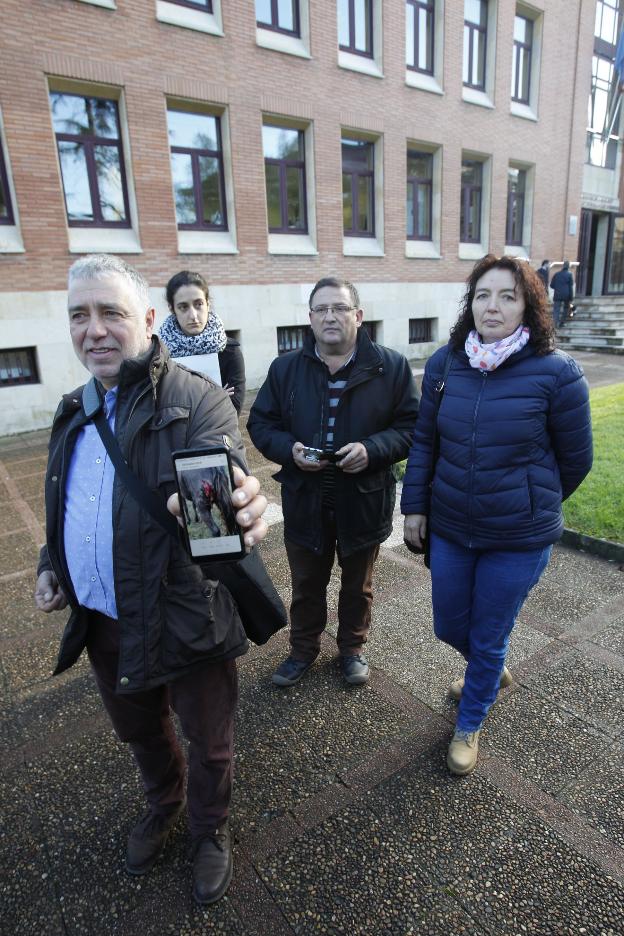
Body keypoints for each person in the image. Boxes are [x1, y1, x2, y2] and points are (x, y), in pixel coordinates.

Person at [34, 255, 268, 905]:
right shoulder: (72, 408)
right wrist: (52, 564)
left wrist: (246, 512)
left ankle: (208, 830)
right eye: (80, 315)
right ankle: (163, 802)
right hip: (104, 619)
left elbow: (223, 515)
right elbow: (65, 502)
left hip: (187, 615)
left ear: (147, 319)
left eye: (110, 312)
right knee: (139, 731)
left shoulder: (195, 401)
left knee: (210, 743)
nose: (94, 329)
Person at [402, 254, 592, 777]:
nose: (494, 306)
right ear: (471, 302)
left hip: (517, 537)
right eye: (484, 294)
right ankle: (490, 670)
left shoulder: (557, 373)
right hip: (452, 528)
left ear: (528, 306)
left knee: (488, 634)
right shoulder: (446, 364)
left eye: (508, 296)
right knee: (448, 625)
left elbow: (576, 461)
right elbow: (425, 441)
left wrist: (535, 503)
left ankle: (470, 721)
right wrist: (415, 505)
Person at [248, 276, 419, 688]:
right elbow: (261, 423)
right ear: (309, 319)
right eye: (321, 309)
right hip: (306, 497)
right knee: (307, 583)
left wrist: (373, 449)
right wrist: (289, 450)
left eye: (340, 308)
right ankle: (303, 649)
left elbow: (412, 427)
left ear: (358, 316)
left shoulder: (389, 366)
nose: (330, 316)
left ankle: (352, 650)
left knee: (358, 586)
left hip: (363, 497)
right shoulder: (286, 368)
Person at [161, 270, 246, 415]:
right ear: (172, 308)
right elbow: (159, 408)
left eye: (198, 304)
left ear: (208, 303)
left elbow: (233, 410)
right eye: (183, 307)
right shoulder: (161, 353)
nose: (193, 315)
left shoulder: (230, 352)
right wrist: (217, 397)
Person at [550, 260, 574, 327]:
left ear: (563, 266)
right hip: (566, 295)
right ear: (568, 266)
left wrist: (558, 288)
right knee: (566, 309)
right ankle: (562, 323)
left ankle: (554, 324)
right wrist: (571, 297)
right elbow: (570, 287)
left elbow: (551, 285)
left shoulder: (557, 274)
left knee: (556, 310)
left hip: (557, 294)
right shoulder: (569, 274)